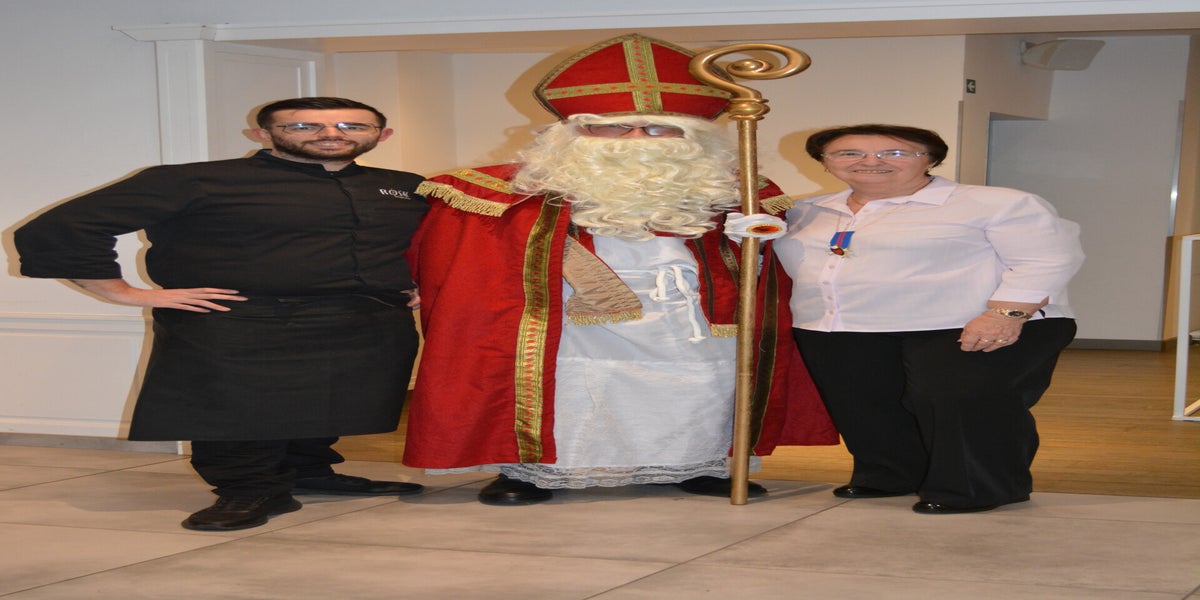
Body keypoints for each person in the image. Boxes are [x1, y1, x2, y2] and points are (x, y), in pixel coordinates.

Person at [403, 33, 837, 505]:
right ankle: (533, 472)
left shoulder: (738, 187)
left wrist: (757, 234)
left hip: (692, 316)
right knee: (572, 388)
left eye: (657, 129)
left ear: (692, 138)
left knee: (699, 388)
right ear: (571, 134)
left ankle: (700, 465)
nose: (635, 139)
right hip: (569, 314)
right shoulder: (505, 190)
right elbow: (456, 255)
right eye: (613, 128)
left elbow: (778, 261)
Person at [14, 97, 430, 531]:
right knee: (236, 413)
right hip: (239, 320)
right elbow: (65, 226)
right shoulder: (195, 180)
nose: (330, 134)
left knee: (331, 403)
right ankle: (247, 490)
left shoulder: (405, 186)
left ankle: (308, 472)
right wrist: (124, 293)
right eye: (303, 126)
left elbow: (431, 242)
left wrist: (425, 282)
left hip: (364, 320)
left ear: (381, 135)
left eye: (351, 126)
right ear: (262, 134)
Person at [770, 123, 1085, 514]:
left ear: (931, 159)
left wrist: (1006, 314)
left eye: (895, 153)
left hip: (969, 322)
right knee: (865, 403)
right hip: (841, 325)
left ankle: (978, 488)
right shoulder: (806, 211)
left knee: (957, 399)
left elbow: (1047, 258)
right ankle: (892, 475)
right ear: (825, 162)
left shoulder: (995, 203)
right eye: (849, 153)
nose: (871, 161)